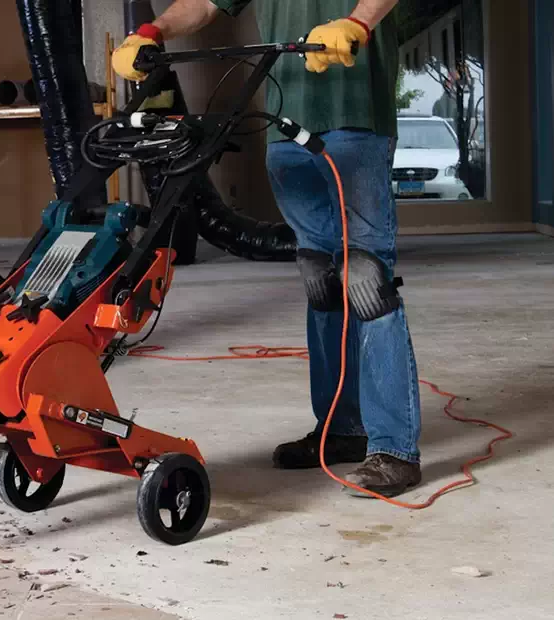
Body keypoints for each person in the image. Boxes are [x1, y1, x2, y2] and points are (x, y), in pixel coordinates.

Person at [112, 0, 423, 498]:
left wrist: (358, 21)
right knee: (321, 280)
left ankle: (395, 450)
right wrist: (152, 31)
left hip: (355, 117)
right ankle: (342, 430)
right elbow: (205, 4)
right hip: (287, 123)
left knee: (367, 280)